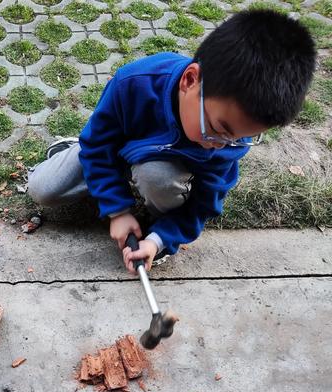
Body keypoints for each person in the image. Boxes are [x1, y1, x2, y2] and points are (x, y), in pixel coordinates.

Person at [27, 9, 316, 274]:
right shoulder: (135, 83)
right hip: (112, 150)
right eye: (218, 129)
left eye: (240, 138)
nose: (222, 145)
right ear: (190, 80)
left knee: (159, 180)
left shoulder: (229, 141)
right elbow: (99, 145)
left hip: (164, 166)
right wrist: (117, 211)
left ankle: (150, 204)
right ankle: (72, 149)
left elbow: (202, 207)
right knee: (43, 189)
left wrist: (156, 240)